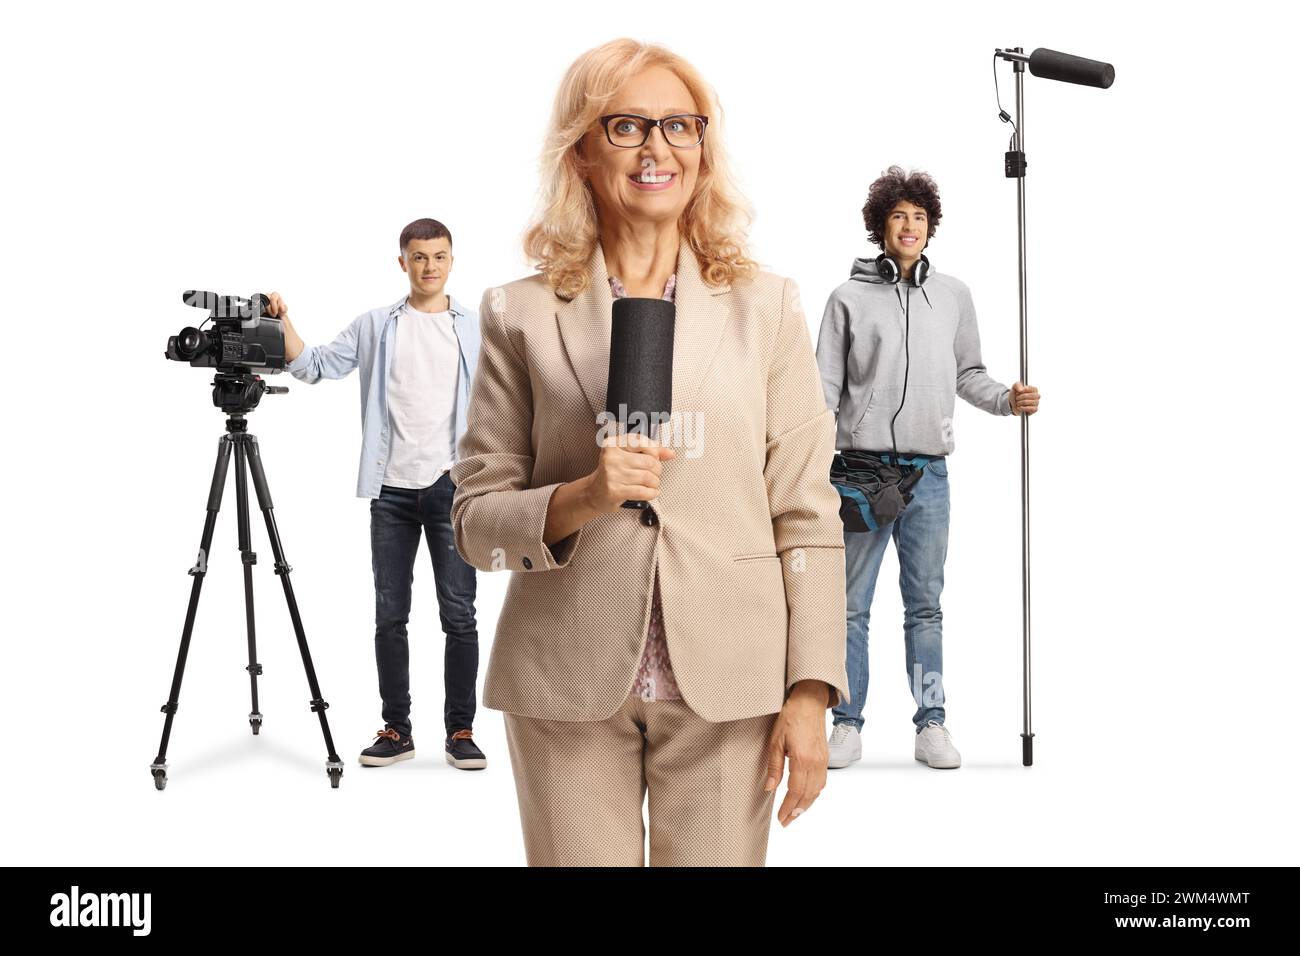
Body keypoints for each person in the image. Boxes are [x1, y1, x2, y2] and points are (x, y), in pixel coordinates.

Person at [449, 38, 848, 866]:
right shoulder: (516, 313)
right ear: (584, 152)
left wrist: (811, 690)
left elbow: (808, 512)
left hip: (732, 682)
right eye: (627, 126)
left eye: (680, 126)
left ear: (703, 150)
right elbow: (475, 522)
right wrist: (579, 500)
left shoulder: (767, 307)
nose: (657, 147)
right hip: (565, 679)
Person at [815, 166, 1041, 771]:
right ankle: (846, 722)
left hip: (928, 478)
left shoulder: (954, 296)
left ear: (930, 226)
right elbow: (823, 392)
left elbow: (969, 374)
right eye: (898, 216)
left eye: (919, 216)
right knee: (848, 605)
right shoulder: (847, 299)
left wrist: (1006, 399)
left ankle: (932, 722)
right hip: (859, 473)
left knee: (926, 606)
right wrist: (804, 466)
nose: (909, 225)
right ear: (880, 227)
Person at [263, 219, 486, 771]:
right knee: (391, 615)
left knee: (459, 614)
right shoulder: (376, 326)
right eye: (418, 257)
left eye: (438, 256)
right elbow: (314, 365)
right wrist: (282, 320)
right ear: (402, 262)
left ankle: (460, 729)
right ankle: (397, 729)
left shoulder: (477, 330)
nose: (429, 266)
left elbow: (512, 398)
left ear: (452, 260)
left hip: (452, 486)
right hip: (389, 490)